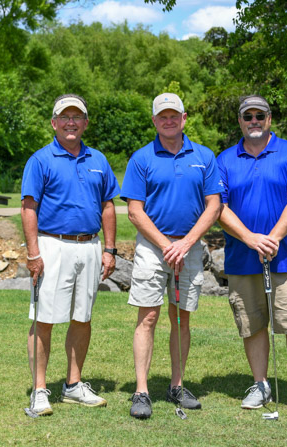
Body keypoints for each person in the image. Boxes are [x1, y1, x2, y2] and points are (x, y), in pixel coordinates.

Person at [216, 94, 287, 415]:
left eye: (259, 116)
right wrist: (250, 239)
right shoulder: (224, 160)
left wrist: (273, 238)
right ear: (240, 121)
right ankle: (260, 385)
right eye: (247, 116)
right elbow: (217, 206)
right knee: (252, 324)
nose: (253, 121)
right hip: (242, 257)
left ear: (269, 119)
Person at [121, 93, 222, 420]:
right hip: (153, 248)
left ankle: (177, 385)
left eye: (174, 115)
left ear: (184, 117)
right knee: (148, 317)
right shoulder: (141, 158)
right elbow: (135, 211)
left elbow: (214, 205)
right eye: (162, 116)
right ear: (154, 121)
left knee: (181, 318)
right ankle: (141, 390)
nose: (168, 120)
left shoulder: (204, 156)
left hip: (190, 247)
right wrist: (167, 244)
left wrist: (187, 242)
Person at [21, 93, 120, 416]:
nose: (71, 122)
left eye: (77, 117)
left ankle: (73, 385)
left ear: (86, 123)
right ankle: (39, 390)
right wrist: (33, 253)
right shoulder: (40, 160)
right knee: (45, 318)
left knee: (82, 317)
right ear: (54, 123)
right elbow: (29, 208)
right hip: (53, 246)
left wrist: (109, 248)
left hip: (90, 246)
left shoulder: (98, 160)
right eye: (65, 117)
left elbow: (108, 205)